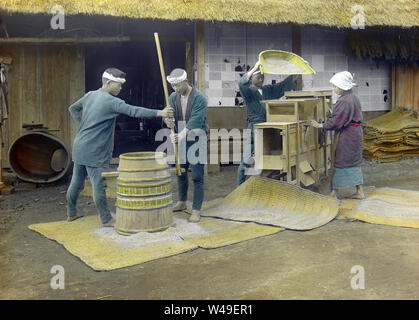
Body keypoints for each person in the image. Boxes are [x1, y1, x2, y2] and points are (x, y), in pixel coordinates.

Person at [66, 67, 173, 227]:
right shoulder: (111, 101)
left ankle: (71, 213)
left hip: (79, 145)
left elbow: (72, 108)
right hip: (94, 149)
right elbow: (134, 111)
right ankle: (106, 219)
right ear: (108, 83)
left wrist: (82, 124)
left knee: (76, 181)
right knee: (98, 184)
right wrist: (160, 113)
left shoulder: (90, 95)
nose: (121, 88)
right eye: (119, 85)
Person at [237, 60, 296, 186]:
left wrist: (295, 70)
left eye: (262, 77)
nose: (260, 80)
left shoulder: (268, 90)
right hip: (254, 128)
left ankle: (266, 185)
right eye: (258, 77)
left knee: (268, 158)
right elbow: (242, 83)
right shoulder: (248, 92)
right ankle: (239, 187)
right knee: (247, 160)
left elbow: (283, 85)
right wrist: (255, 67)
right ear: (251, 78)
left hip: (269, 129)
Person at [310, 71, 365, 199]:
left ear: (342, 86)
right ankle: (360, 191)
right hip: (355, 134)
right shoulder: (353, 97)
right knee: (354, 162)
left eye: (335, 86)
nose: (334, 89)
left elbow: (336, 122)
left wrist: (320, 125)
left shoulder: (345, 101)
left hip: (347, 135)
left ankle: (334, 192)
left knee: (340, 161)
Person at [164, 68, 208, 222]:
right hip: (179, 139)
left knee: (197, 175)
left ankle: (196, 209)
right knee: (180, 171)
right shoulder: (172, 97)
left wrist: (180, 135)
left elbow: (196, 121)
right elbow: (169, 115)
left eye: (178, 86)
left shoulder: (199, 98)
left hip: (197, 137)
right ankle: (182, 202)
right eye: (173, 86)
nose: (175, 89)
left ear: (185, 82)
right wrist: (167, 120)